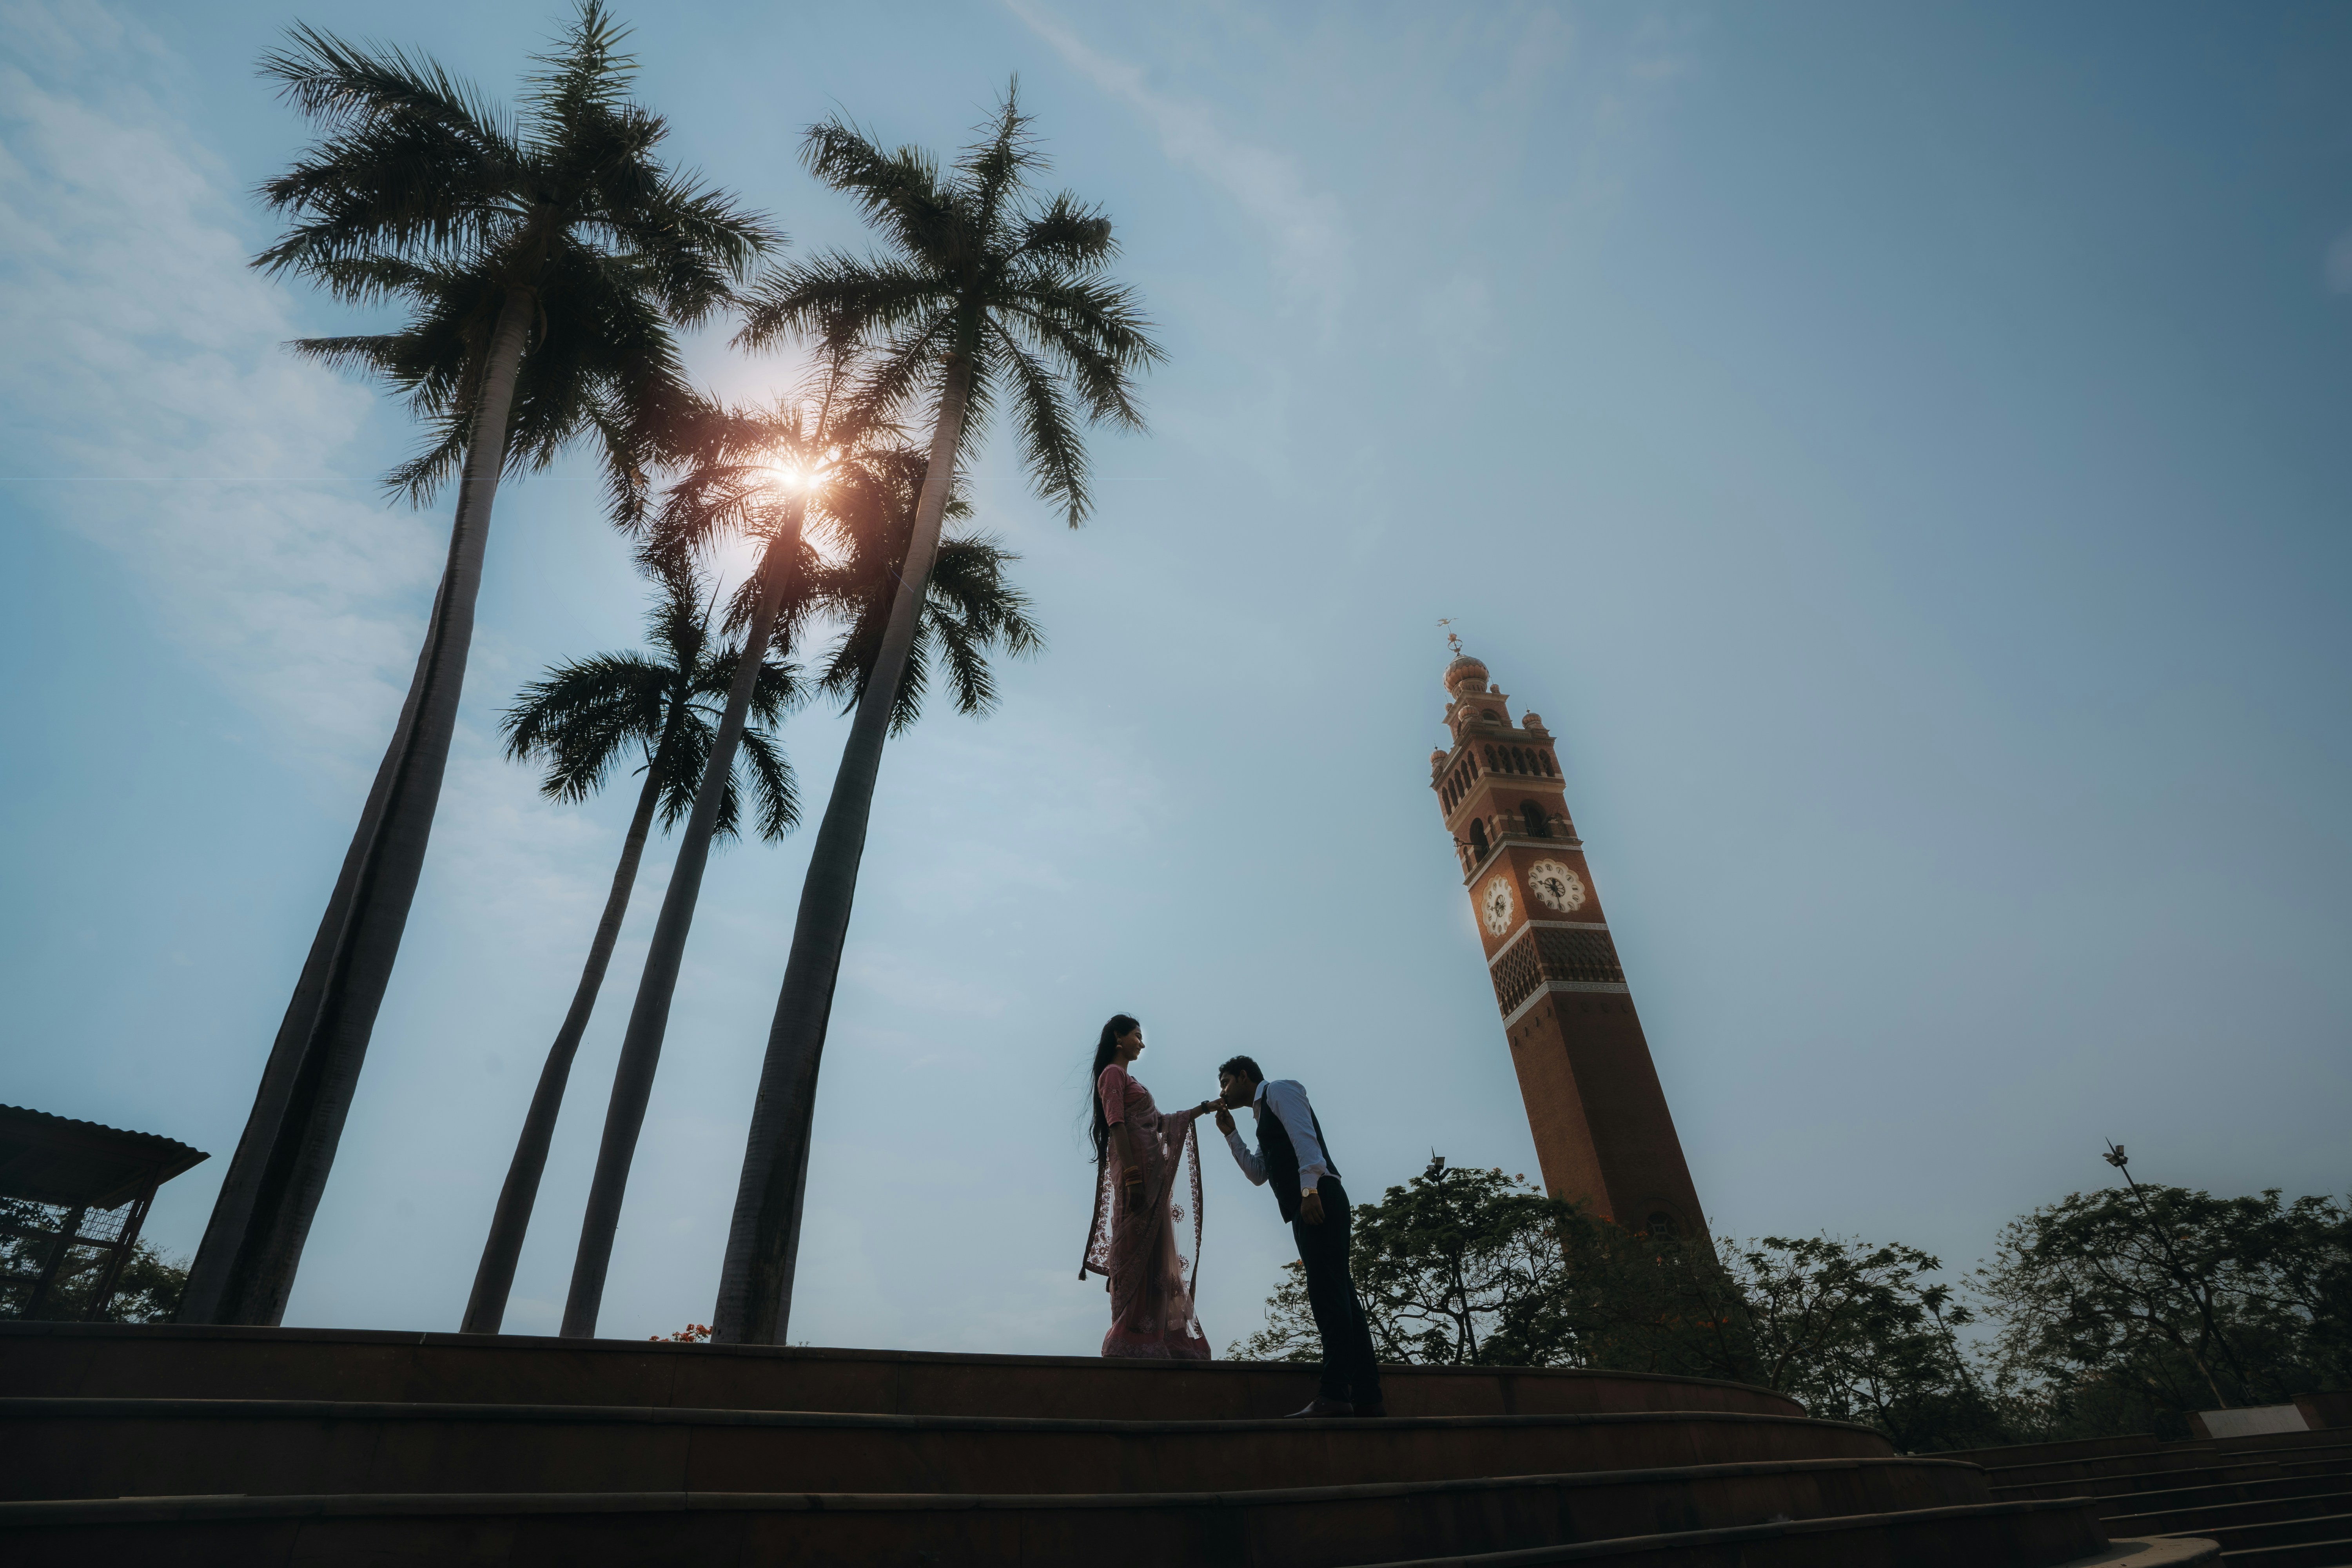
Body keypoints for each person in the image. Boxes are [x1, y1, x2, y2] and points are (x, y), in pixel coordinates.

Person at [1198, 1056, 1384, 1417]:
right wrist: (1230, 1135)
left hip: (1319, 1198)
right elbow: (1257, 1173)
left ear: (1243, 1076)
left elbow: (1305, 1139)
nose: (1222, 1091)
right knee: (1340, 1294)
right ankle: (1368, 1396)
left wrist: (1310, 1191)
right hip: (1306, 1205)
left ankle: (1335, 1394)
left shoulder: (1280, 1091)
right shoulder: (1259, 1119)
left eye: (1224, 1082)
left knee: (1329, 1296)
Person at [1077, 1014, 1212, 1359]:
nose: (1142, 1042)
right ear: (1118, 1038)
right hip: (1137, 1181)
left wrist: (1205, 1108)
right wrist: (1133, 1178)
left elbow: (1163, 1124)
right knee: (1134, 1253)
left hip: (1154, 1185)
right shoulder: (1112, 1074)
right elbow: (1117, 1125)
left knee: (1155, 1256)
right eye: (1137, 1036)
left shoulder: (1130, 1079)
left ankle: (1156, 1338)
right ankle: (1130, 1339)